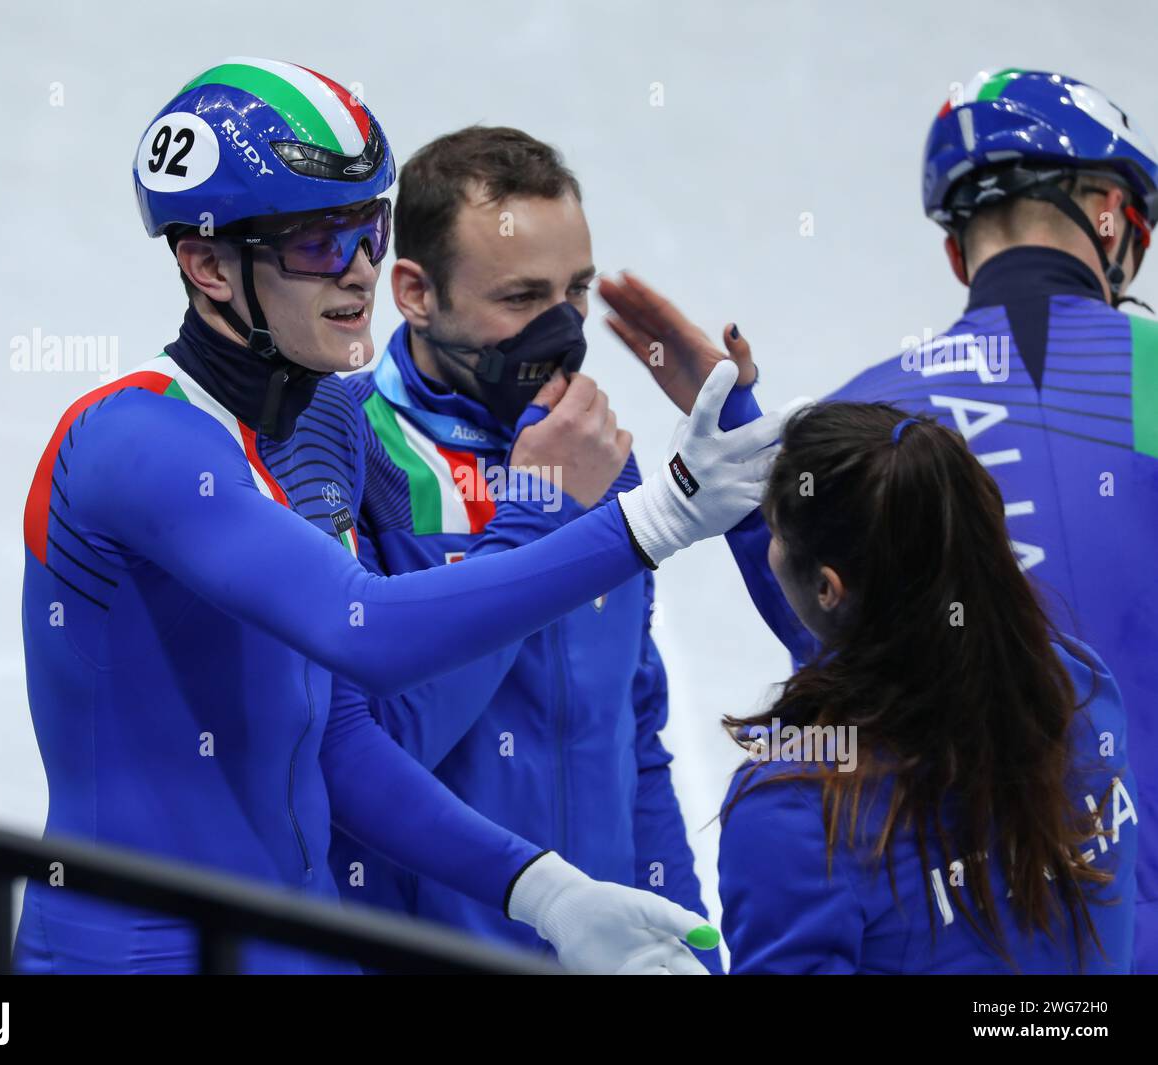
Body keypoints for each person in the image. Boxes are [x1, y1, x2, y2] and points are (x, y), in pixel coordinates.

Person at [13, 56, 785, 975]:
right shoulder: (133, 440)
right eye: (315, 244)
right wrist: (661, 513)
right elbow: (367, 631)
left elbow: (334, 737)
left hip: (307, 946)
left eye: (368, 229)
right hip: (139, 957)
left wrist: (545, 889)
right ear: (209, 264)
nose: (360, 272)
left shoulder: (324, 421)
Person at [602, 67, 1158, 972]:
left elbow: (850, 643)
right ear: (1107, 211)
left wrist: (750, 444)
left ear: (955, 251)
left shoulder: (876, 417)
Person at [326, 127, 720, 972]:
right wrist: (538, 507)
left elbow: (635, 736)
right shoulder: (346, 458)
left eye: (575, 290)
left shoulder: (599, 456)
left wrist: (683, 933)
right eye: (520, 297)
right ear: (416, 292)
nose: (560, 328)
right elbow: (382, 743)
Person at [717, 401, 1138, 973]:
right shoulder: (1072, 684)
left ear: (828, 586)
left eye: (773, 530)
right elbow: (886, 631)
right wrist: (744, 420)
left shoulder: (795, 811)